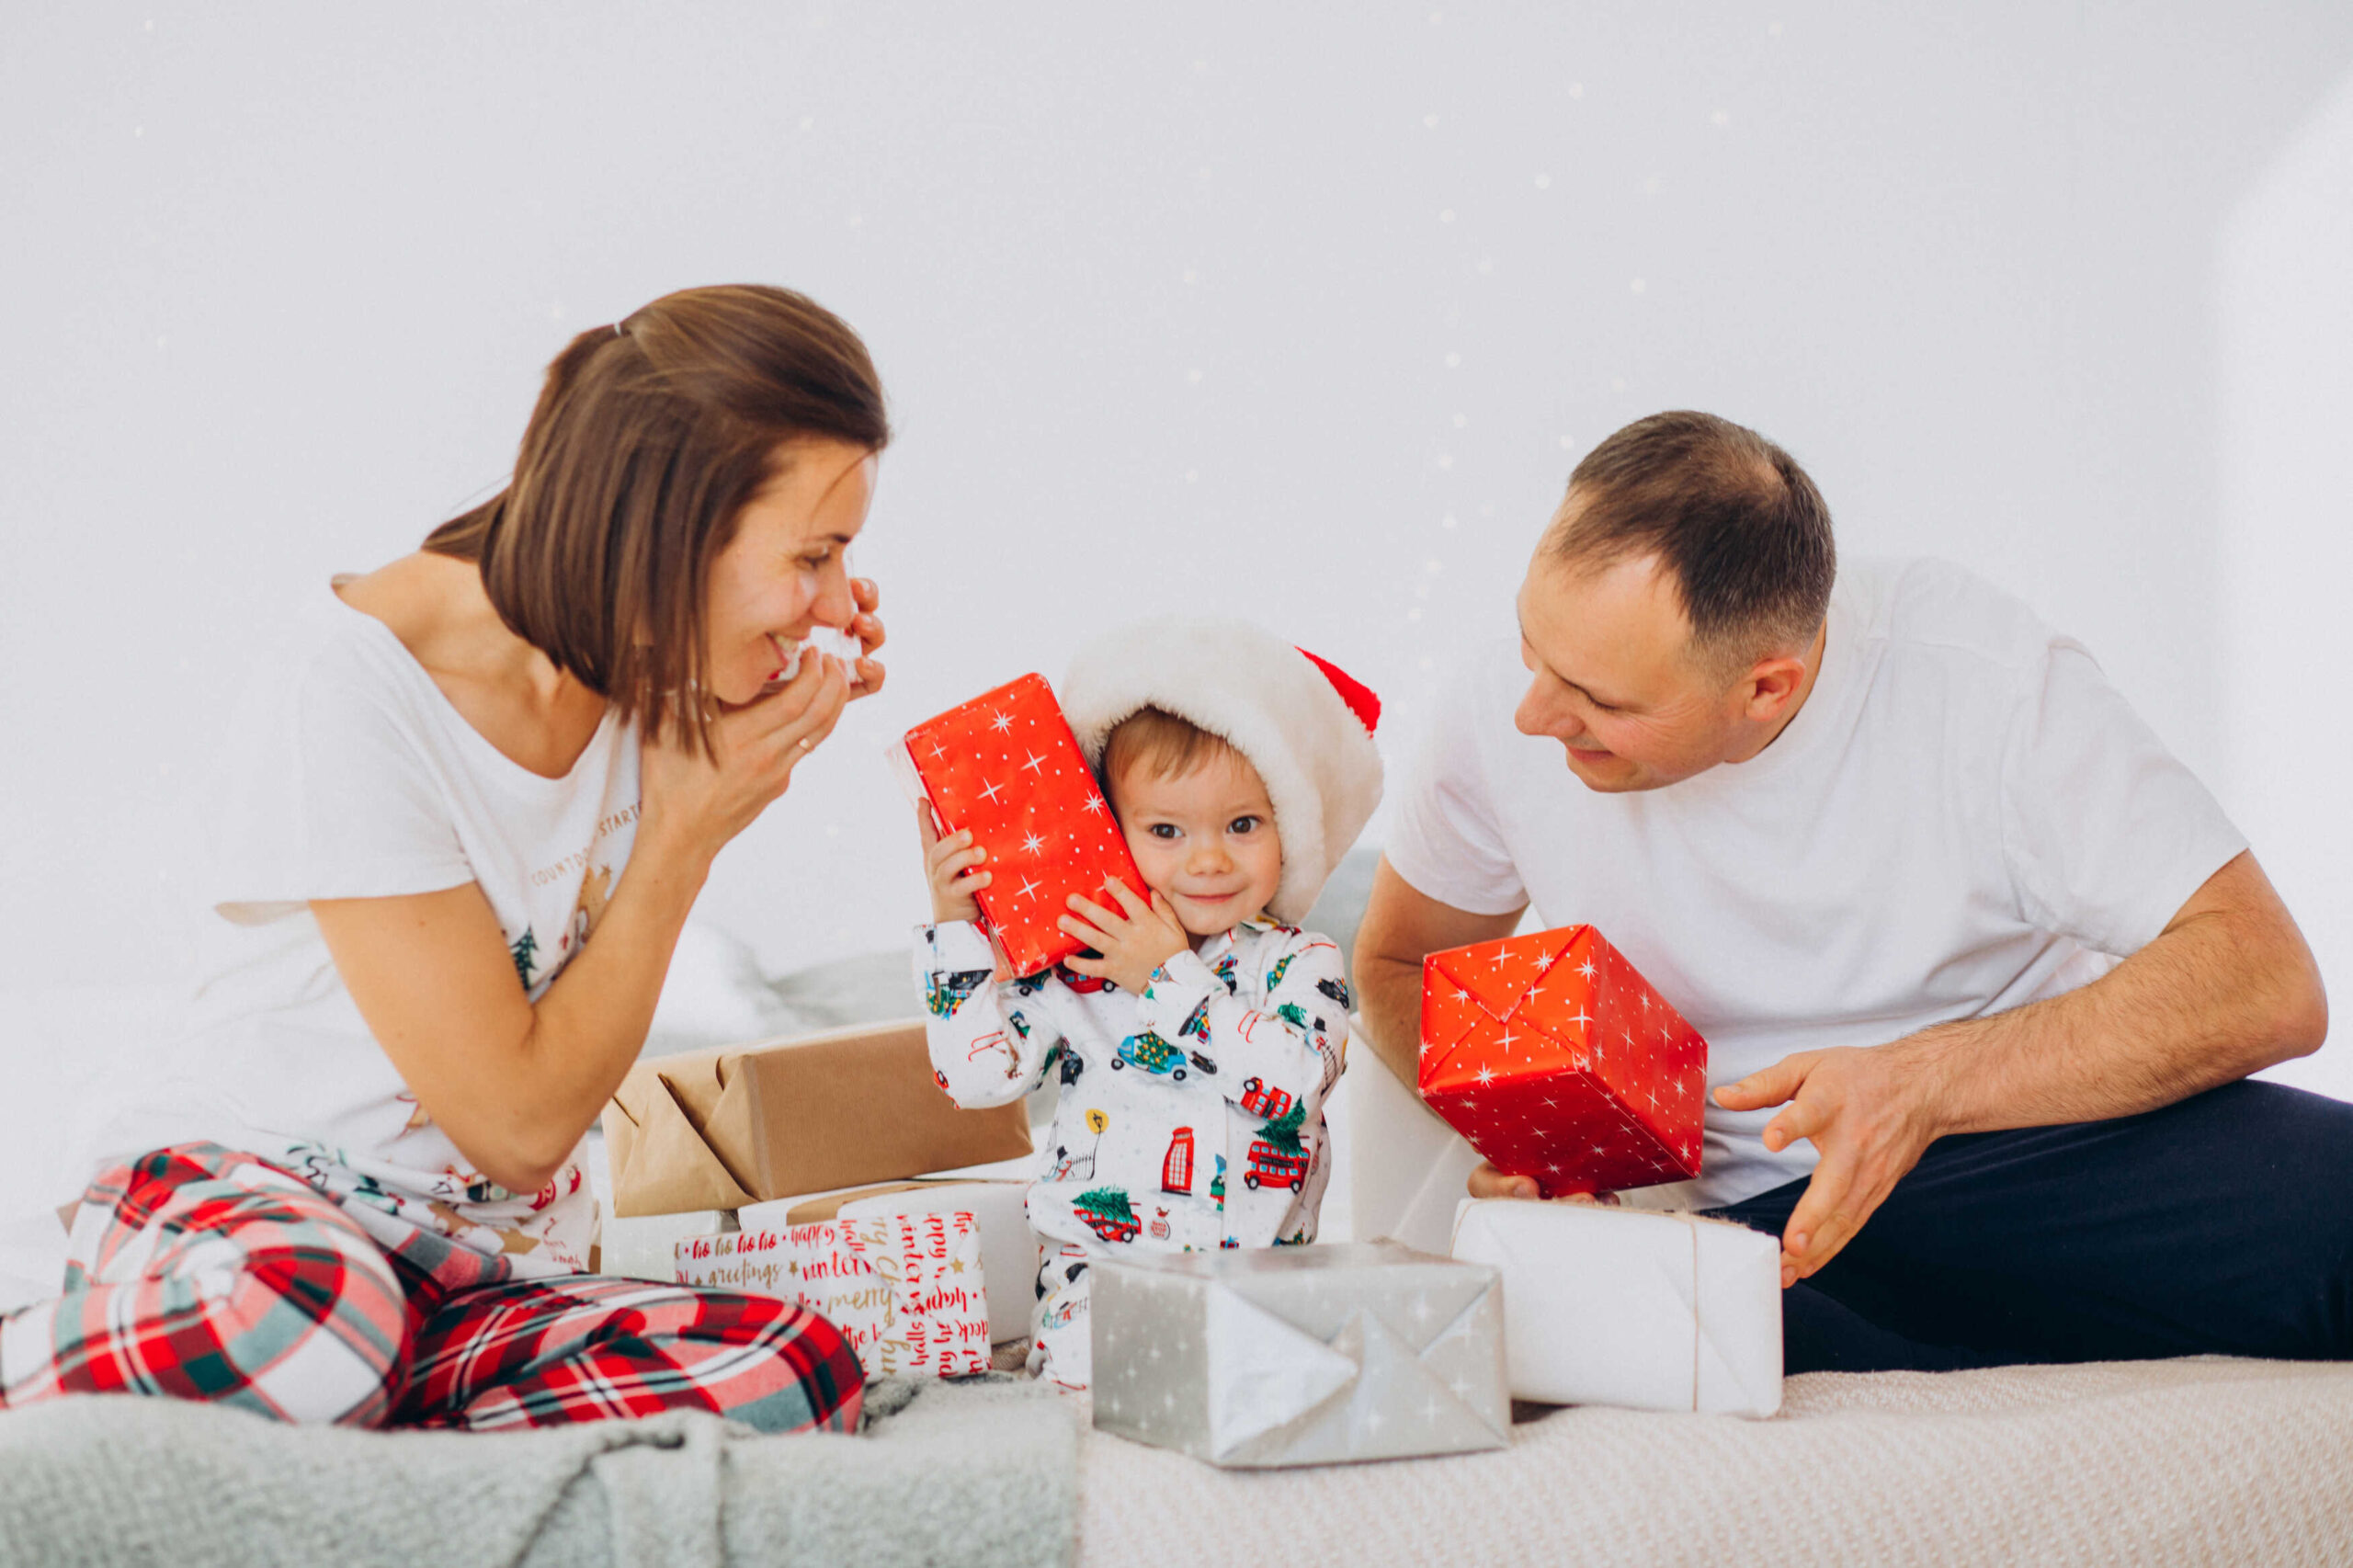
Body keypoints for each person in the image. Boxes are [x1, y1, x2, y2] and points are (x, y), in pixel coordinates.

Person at [0, 285, 886, 1429]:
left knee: (792, 1372)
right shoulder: (353, 690)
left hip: (470, 1276)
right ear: (665, 533)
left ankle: (342, 1417)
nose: (830, 604)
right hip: (257, 1209)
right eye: (811, 554)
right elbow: (517, 1129)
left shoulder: (655, 660)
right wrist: (686, 833)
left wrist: (759, 689)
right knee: (316, 1326)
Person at [1354, 409, 2353, 1372]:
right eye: (1532, 646)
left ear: (1766, 688)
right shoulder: (1499, 710)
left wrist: (1918, 1083)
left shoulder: (1982, 683)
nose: (1535, 712)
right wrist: (1565, 1149)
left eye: (1600, 701)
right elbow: (1399, 963)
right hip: (1751, 1224)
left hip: (2035, 1154)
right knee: (1598, 1322)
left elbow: (2265, 977)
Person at [915, 619, 1383, 1388]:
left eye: (1242, 825)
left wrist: (1166, 977)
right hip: (1099, 1289)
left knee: (1272, 1403)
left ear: (1288, 830)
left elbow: (1290, 1084)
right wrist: (956, 934)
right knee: (1103, 1409)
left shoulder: (1302, 963)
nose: (1207, 858)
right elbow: (975, 1081)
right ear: (1112, 831)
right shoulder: (1074, 966)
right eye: (1165, 829)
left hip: (1259, 1296)